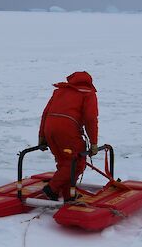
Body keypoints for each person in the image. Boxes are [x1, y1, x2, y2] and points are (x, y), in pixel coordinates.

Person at [38, 71, 99, 201]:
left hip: (50, 128)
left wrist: (42, 136)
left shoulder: (60, 91)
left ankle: (68, 194)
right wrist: (93, 142)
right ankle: (51, 189)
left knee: (64, 162)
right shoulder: (88, 93)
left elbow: (45, 113)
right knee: (76, 162)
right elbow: (90, 118)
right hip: (67, 131)